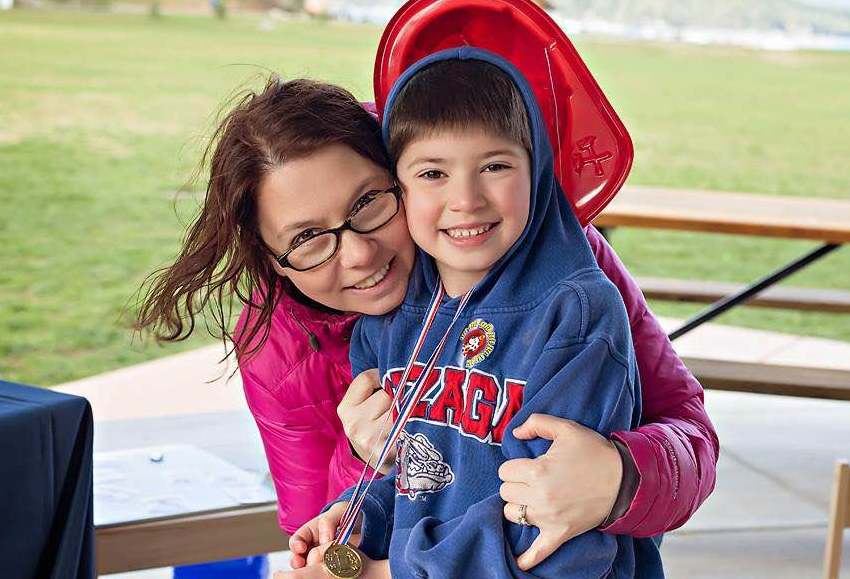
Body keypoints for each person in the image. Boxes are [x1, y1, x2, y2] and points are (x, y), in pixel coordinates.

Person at [136, 75, 717, 574]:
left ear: (403, 178)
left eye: (368, 204)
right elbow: (325, 520)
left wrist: (621, 477)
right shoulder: (277, 347)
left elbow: (690, 435)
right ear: (272, 260)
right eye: (307, 239)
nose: (359, 256)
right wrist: (363, 468)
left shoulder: (555, 269)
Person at [297, 48, 664, 578]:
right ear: (397, 188)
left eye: (494, 166)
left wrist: (381, 572)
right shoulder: (394, 317)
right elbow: (426, 473)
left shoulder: (575, 315)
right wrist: (359, 517)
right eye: (432, 173)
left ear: (536, 170)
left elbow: (556, 535)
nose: (466, 199)